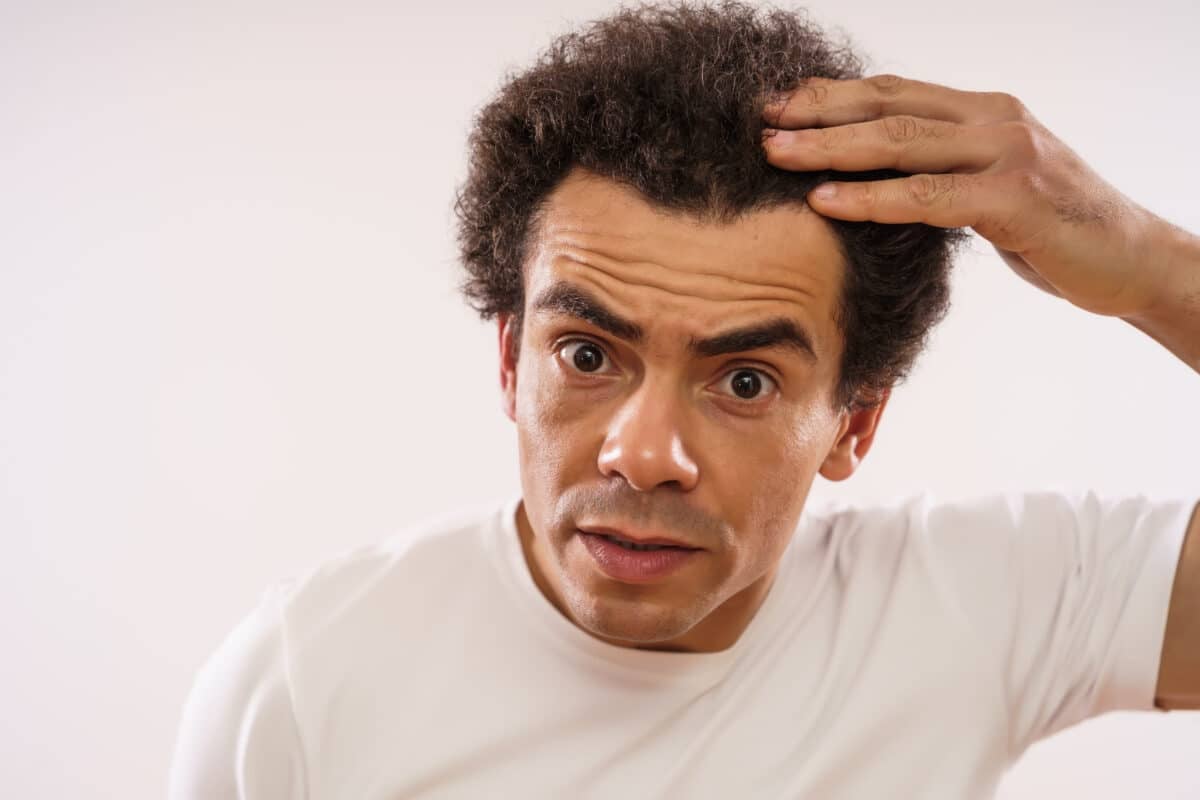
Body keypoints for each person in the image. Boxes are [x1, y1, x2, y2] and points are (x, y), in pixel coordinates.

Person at [168, 2, 1200, 797]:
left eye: (744, 380)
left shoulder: (981, 603)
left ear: (856, 418)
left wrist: (1157, 270)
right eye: (586, 353)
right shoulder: (305, 680)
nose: (645, 452)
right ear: (508, 360)